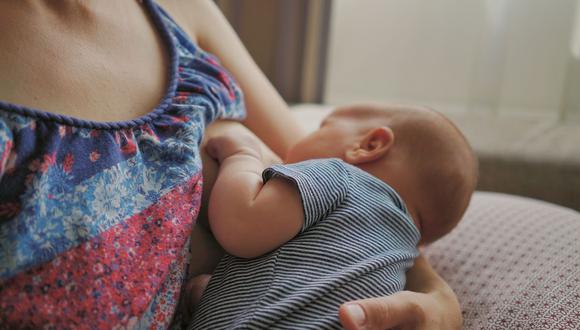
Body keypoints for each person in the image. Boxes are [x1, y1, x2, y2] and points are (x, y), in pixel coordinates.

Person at [0, 0, 462, 329]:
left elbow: (333, 189)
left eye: (325, 119)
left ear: (371, 143)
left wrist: (439, 303)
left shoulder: (184, 14)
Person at [187, 105, 478, 329]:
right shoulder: (400, 265)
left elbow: (241, 225)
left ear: (369, 145)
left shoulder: (339, 176)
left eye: (320, 126)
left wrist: (242, 156)